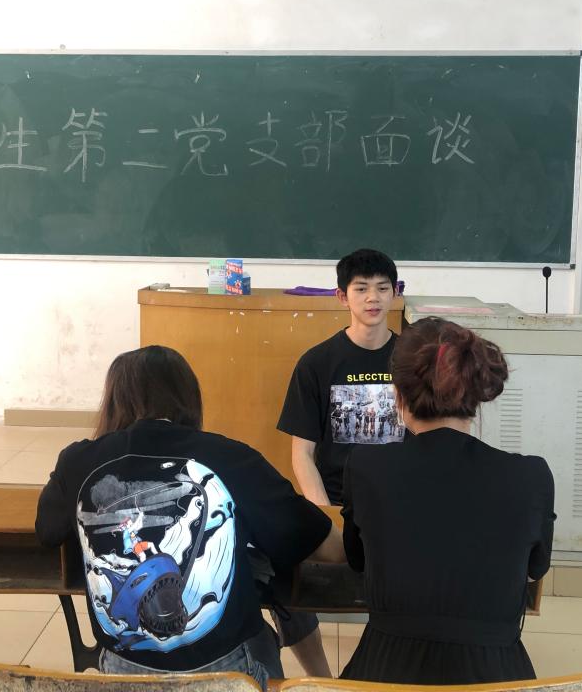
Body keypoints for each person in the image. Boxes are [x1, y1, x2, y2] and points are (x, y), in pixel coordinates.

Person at [36, 345, 344, 687]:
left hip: (123, 677)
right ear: (188, 398)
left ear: (113, 402)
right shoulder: (232, 458)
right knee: (263, 629)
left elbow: (47, 530)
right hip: (225, 675)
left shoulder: (77, 461)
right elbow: (326, 546)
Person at [339, 317, 555, 685]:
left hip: (383, 672)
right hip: (495, 676)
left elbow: (357, 560)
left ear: (398, 395)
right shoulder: (531, 476)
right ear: (474, 394)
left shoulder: (366, 466)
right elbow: (535, 569)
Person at [275, 248, 403, 675]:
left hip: (399, 504)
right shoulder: (317, 363)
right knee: (278, 570)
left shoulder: (413, 361)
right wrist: (325, 515)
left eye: (382, 288)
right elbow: (302, 454)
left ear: (395, 294)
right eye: (361, 289)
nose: (373, 298)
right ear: (341, 296)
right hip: (335, 502)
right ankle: (320, 678)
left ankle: (388, 667)